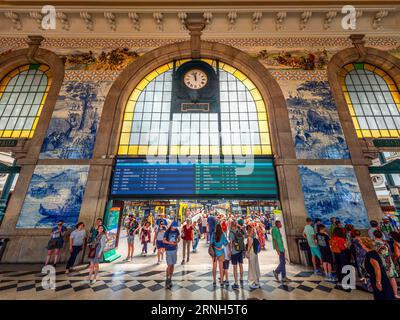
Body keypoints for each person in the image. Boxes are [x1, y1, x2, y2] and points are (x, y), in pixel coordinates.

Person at [373, 230, 399, 299]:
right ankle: (395, 294)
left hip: (380, 261)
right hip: (388, 261)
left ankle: (386, 292)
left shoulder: (373, 243)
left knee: (383, 278)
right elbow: (390, 252)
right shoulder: (385, 243)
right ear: (381, 235)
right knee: (392, 277)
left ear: (374, 235)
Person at [163, 221, 180, 289]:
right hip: (168, 250)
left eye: (176, 227)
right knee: (169, 265)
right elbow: (163, 240)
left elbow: (179, 239)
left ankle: (170, 279)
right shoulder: (167, 231)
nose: (175, 228)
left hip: (174, 249)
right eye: (174, 227)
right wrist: (170, 242)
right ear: (171, 226)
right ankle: (167, 279)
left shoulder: (177, 230)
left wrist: (177, 242)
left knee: (172, 265)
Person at [211, 223, 228, 288]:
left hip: (214, 254)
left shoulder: (213, 234)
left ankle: (214, 281)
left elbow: (211, 243)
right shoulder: (222, 234)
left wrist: (215, 247)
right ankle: (221, 282)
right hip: (221, 253)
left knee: (214, 268)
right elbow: (226, 243)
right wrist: (221, 247)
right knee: (221, 268)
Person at [229, 220, 245, 290]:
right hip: (240, 250)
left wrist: (230, 251)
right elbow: (244, 237)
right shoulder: (239, 230)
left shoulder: (231, 232)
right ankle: (241, 278)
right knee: (241, 264)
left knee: (235, 267)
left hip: (234, 251)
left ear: (231, 225)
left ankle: (236, 283)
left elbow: (231, 243)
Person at [246, 224, 261, 289]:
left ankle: (256, 283)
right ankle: (257, 280)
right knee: (256, 266)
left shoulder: (249, 237)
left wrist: (247, 253)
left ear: (247, 230)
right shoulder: (254, 235)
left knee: (253, 267)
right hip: (255, 252)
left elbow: (249, 246)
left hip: (252, 253)